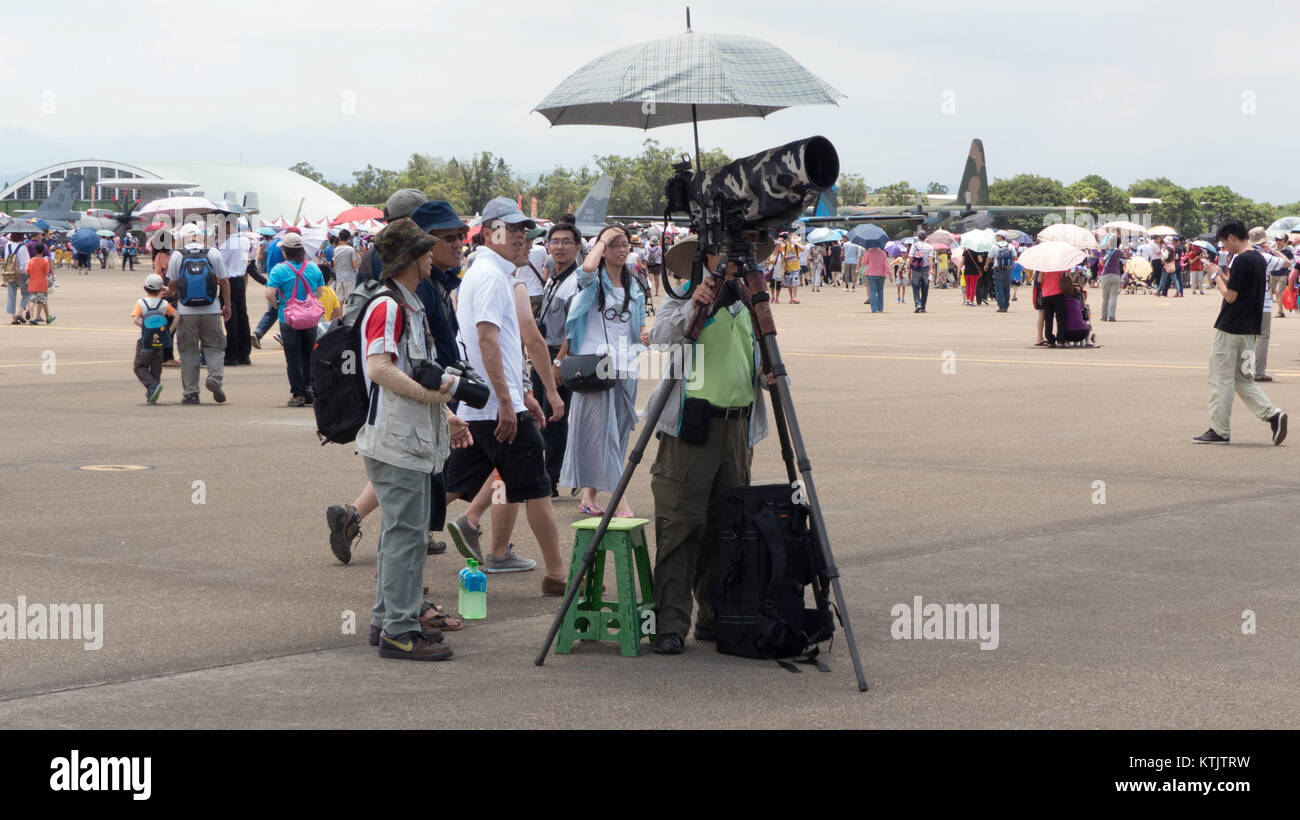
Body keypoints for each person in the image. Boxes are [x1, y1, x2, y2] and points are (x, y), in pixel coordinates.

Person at [644, 238, 774, 654]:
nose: (736, 261)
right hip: (691, 429)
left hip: (737, 430)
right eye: (725, 254)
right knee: (681, 525)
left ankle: (717, 615)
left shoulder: (748, 302)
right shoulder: (685, 296)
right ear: (706, 258)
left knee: (727, 527)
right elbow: (660, 339)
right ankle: (669, 622)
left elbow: (761, 359)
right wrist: (695, 305)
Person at [442, 197, 566, 594]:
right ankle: (558, 575)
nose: (522, 238)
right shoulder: (494, 276)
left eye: (523, 231)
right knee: (537, 489)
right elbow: (487, 338)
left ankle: (400, 550)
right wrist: (509, 402)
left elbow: (501, 343)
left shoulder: (482, 271)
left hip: (482, 404)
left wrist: (524, 390)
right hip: (496, 406)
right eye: (511, 230)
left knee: (449, 485)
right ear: (490, 231)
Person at [355, 218, 457, 661]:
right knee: (406, 537)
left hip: (407, 439)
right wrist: (428, 395)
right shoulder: (390, 305)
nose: (431, 255)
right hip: (398, 441)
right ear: (412, 258)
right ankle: (399, 630)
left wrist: (443, 410)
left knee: (403, 535)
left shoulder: (407, 303)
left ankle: (388, 619)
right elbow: (379, 367)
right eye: (425, 249)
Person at [561, 225, 648, 517]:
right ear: (602, 248)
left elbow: (638, 322)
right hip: (596, 369)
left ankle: (589, 495)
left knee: (620, 432)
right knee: (605, 434)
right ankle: (618, 498)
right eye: (615, 245)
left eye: (625, 245)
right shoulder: (594, 282)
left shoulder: (633, 283)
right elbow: (585, 268)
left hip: (626, 365)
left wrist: (645, 334)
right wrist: (602, 241)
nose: (622, 250)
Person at [1194, 221, 1286, 445]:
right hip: (1249, 331)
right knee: (1244, 379)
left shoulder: (1241, 260)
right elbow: (1239, 288)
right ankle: (1272, 414)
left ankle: (1219, 430)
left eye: (1225, 242)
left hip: (1230, 328)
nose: (1226, 247)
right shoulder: (1256, 258)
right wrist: (1220, 275)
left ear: (1233, 237)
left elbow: (1231, 296)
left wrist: (1216, 278)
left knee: (1220, 379)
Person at [535, 221, 582, 496]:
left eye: (566, 242)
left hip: (560, 355)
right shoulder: (554, 276)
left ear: (577, 248)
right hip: (545, 353)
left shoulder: (577, 282)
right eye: (555, 241)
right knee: (542, 414)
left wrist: (558, 363)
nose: (560, 247)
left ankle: (550, 479)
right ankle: (552, 473)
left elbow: (573, 329)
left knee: (555, 418)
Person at [163, 225, 230, 404]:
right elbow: (224, 281)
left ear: (184, 238)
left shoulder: (178, 255)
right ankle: (214, 379)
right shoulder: (213, 253)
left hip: (186, 312)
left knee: (188, 351)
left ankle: (191, 393)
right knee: (214, 347)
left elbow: (173, 285)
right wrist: (227, 305)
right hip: (212, 309)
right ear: (200, 237)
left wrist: (167, 293)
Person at [265, 232, 324, 406]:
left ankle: (297, 394)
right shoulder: (313, 268)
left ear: (285, 251)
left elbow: (270, 294)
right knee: (309, 354)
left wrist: (278, 305)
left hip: (289, 318)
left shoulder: (280, 270)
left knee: (293, 357)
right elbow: (319, 292)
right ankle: (309, 389)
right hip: (310, 318)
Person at [131, 273, 178, 404]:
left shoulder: (141, 303)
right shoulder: (164, 304)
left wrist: (146, 328)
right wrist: (168, 331)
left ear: (145, 288)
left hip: (145, 340)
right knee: (156, 367)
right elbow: (177, 316)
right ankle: (152, 394)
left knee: (139, 366)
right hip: (160, 341)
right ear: (160, 289)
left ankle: (152, 386)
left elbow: (135, 320)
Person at [218, 223, 255, 366]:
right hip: (240, 279)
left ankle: (232, 354)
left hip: (229, 281)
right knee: (242, 317)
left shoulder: (228, 244)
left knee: (230, 317)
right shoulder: (245, 240)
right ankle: (244, 353)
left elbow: (219, 263)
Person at [4, 233, 31, 324]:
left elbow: (5, 259)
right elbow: (26, 263)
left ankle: (12, 318)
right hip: (21, 274)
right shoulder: (23, 248)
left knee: (11, 295)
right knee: (26, 294)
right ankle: (19, 312)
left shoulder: (7, 247)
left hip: (9, 273)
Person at [24, 242, 53, 324]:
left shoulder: (31, 261)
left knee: (32, 301)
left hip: (32, 283)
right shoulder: (45, 261)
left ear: (35, 250)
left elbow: (28, 271)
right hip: (42, 284)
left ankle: (32, 317)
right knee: (43, 301)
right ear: (43, 250)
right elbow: (46, 273)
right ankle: (48, 317)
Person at [1097, 241, 1127, 321]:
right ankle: (1112, 316)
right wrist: (1125, 248)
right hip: (1116, 275)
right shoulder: (1118, 252)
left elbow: (1101, 263)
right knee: (1113, 297)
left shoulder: (1104, 252)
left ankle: (1103, 316)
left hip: (1106, 275)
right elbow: (1125, 255)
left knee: (1105, 297)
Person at [990, 233, 1018, 312]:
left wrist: (986, 265)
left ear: (1000, 237)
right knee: (1006, 287)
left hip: (998, 269)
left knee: (999, 288)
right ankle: (1006, 305)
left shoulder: (994, 246)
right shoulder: (1010, 246)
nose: (995, 237)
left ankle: (1001, 306)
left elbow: (990, 257)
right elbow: (1015, 257)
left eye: (996, 236)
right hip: (1008, 269)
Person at [909, 232, 934, 313]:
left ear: (918, 237)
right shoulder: (930, 246)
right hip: (926, 269)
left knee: (915, 287)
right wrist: (931, 269)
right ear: (925, 237)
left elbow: (911, 258)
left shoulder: (915, 245)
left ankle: (917, 304)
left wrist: (909, 268)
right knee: (925, 288)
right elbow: (930, 259)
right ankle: (923, 307)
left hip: (916, 269)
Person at [861, 242, 889, 312]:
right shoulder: (883, 253)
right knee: (880, 291)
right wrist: (890, 274)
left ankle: (874, 309)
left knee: (872, 291)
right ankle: (880, 308)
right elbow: (886, 264)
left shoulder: (868, 252)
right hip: (881, 274)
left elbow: (864, 262)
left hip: (871, 274)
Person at [332, 228, 358, 302]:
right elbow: (355, 265)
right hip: (350, 277)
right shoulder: (351, 249)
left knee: (339, 300)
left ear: (339, 238)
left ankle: (340, 314)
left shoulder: (336, 250)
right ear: (349, 238)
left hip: (339, 277)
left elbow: (334, 266)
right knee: (350, 300)